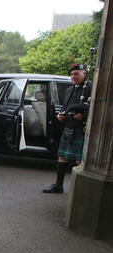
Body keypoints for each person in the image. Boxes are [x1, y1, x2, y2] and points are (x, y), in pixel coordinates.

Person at [43, 63, 92, 194]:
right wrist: (61, 114)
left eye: (76, 73)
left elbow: (95, 107)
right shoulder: (70, 90)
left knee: (80, 160)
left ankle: (81, 190)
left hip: (81, 128)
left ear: (84, 74)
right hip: (69, 126)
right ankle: (58, 186)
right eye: (71, 74)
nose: (73, 76)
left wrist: (84, 114)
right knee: (62, 157)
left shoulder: (90, 88)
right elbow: (65, 106)